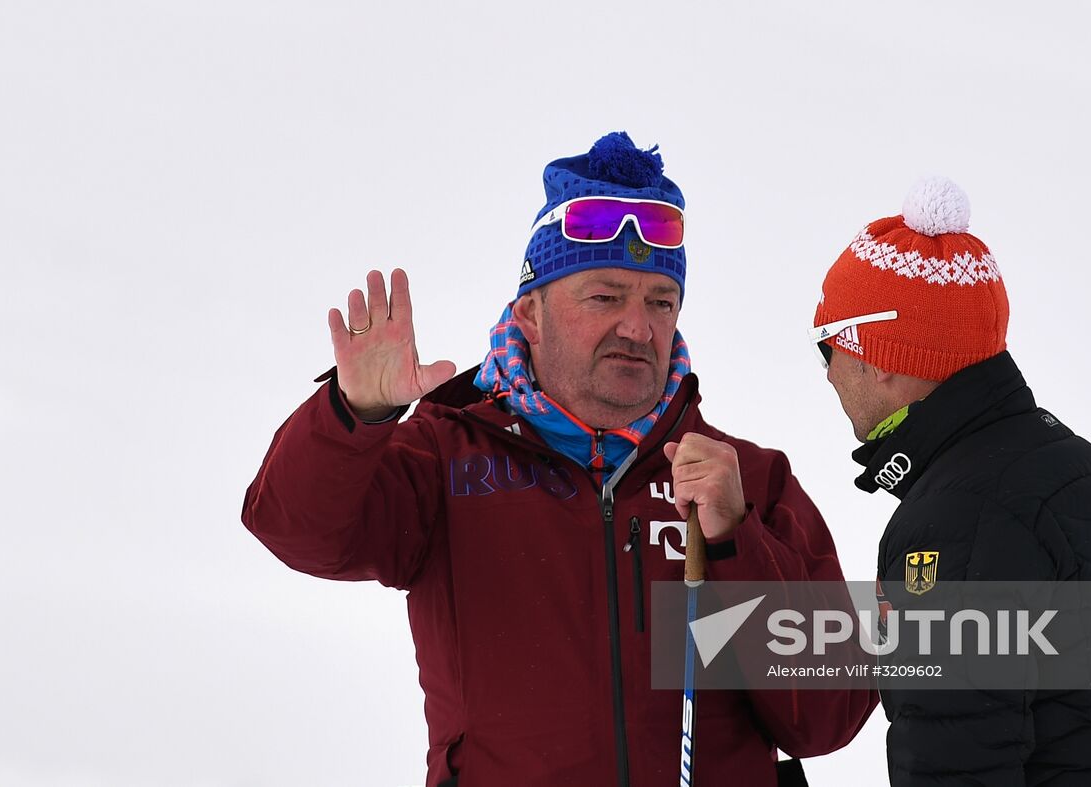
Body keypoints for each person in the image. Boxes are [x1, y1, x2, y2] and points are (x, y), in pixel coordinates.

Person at [242, 132, 876, 787]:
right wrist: (354, 414)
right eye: (605, 296)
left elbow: (826, 719)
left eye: (660, 302)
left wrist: (735, 540)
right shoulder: (445, 456)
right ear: (531, 313)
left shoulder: (746, 481)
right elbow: (294, 527)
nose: (639, 326)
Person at [809, 177, 1091, 786]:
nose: (827, 374)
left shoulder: (953, 518)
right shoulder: (1081, 470)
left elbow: (952, 767)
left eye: (826, 346)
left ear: (879, 356)